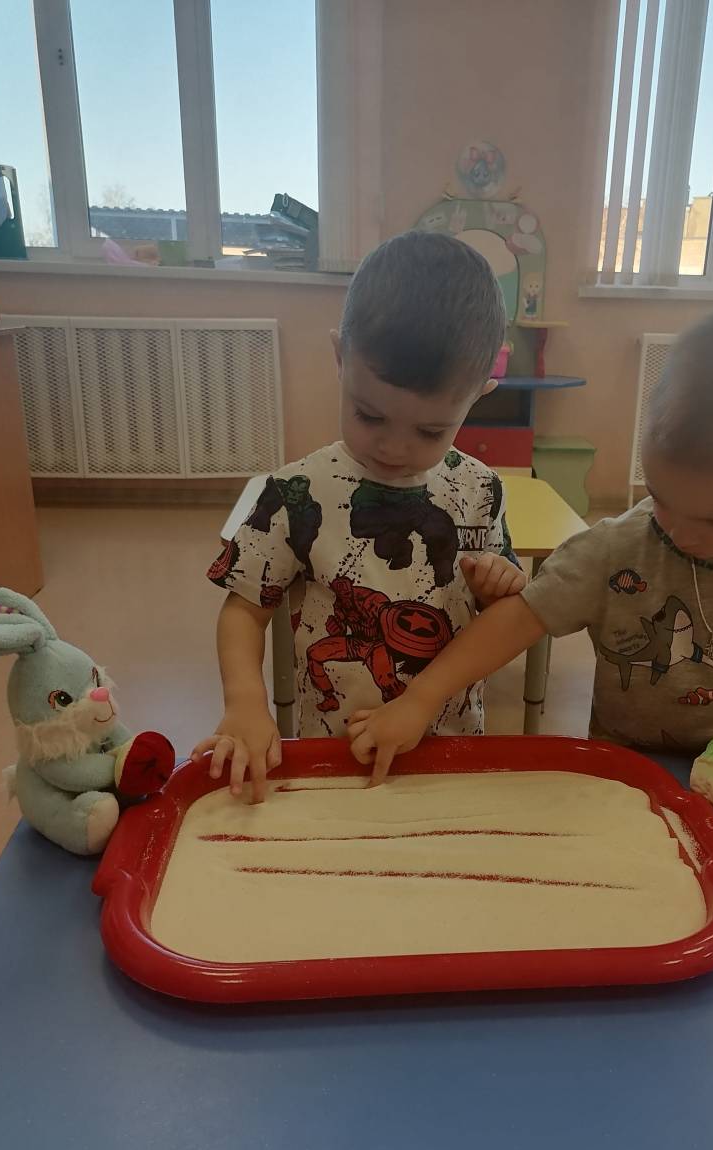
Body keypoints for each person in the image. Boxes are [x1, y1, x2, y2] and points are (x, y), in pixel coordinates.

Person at [349, 308, 713, 794]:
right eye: (660, 497)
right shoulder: (615, 548)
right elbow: (520, 617)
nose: (679, 532)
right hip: (628, 774)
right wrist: (420, 699)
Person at [194, 231, 527, 799]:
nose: (394, 447)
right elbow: (244, 609)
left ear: (479, 395)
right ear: (340, 359)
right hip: (333, 749)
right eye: (370, 416)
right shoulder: (292, 492)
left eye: (430, 430)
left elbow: (506, 610)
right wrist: (246, 703)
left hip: (447, 747)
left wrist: (498, 588)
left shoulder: (480, 489)